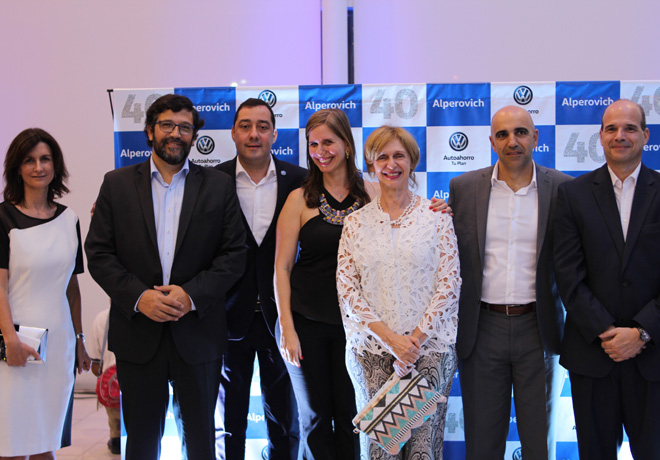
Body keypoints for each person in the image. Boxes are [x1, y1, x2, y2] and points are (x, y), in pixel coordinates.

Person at [85, 94, 247, 460]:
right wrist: (139, 297)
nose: (176, 133)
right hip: (138, 335)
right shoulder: (117, 184)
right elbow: (99, 253)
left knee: (201, 443)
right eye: (167, 125)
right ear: (149, 131)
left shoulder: (219, 186)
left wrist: (190, 296)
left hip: (198, 335)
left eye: (185, 127)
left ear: (194, 136)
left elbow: (234, 254)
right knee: (141, 443)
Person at [448, 106, 572, 460]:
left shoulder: (563, 188)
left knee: (539, 444)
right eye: (502, 134)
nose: (512, 141)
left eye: (520, 132)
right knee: (482, 445)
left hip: (540, 330)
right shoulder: (463, 188)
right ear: (492, 142)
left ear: (536, 138)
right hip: (481, 330)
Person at [337, 126, 460, 459]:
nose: (391, 164)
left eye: (398, 156)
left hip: (429, 351)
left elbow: (449, 284)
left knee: (423, 450)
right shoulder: (355, 223)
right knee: (380, 451)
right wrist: (392, 340)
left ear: (412, 161)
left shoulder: (436, 217)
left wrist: (413, 342)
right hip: (371, 352)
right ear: (371, 165)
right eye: (382, 157)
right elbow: (347, 290)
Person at [554, 99, 660, 459]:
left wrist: (641, 333)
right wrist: (609, 333)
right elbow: (567, 274)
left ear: (646, 135)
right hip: (593, 356)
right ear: (600, 136)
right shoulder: (573, 194)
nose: (620, 135)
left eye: (630, 128)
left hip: (654, 356)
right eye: (611, 128)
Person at [274, 108, 369, 460]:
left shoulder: (371, 194)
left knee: (351, 418)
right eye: (313, 144)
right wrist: (287, 328)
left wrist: (437, 210)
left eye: (328, 142)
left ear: (347, 144)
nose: (320, 151)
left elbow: (407, 216)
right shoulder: (299, 198)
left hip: (356, 328)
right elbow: (281, 267)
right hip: (305, 323)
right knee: (314, 418)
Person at [214, 98, 305, 460]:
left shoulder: (299, 180)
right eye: (246, 126)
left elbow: (345, 199)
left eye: (263, 126)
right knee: (228, 421)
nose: (254, 134)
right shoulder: (211, 181)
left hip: (282, 319)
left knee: (284, 420)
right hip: (226, 318)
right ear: (233, 133)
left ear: (274, 134)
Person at [0, 128, 91, 459]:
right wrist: (9, 339)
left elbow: (72, 287)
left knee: (45, 439)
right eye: (29, 160)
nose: (38, 167)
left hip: (60, 344)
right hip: (17, 342)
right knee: (11, 441)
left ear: (56, 165)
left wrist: (80, 340)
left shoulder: (70, 219)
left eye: (45, 159)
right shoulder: (3, 217)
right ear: (17, 168)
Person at [87, 307, 120, 455]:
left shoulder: (101, 318)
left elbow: (95, 362)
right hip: (139, 380)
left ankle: (116, 438)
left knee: (115, 423)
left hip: (112, 386)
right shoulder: (143, 313)